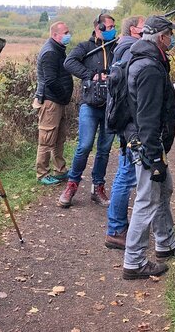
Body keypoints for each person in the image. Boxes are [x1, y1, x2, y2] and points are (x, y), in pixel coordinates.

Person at [122, 15, 175, 279]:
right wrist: (154, 157)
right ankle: (134, 262)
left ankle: (165, 243)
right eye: (169, 35)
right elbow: (148, 117)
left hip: (147, 142)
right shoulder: (150, 68)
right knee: (147, 199)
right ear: (161, 37)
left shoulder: (144, 59)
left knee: (164, 189)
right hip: (147, 145)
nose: (172, 39)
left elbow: (149, 99)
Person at [58, 13, 117, 207]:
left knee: (104, 149)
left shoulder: (115, 47)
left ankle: (98, 187)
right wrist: (90, 75)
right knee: (84, 146)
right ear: (98, 27)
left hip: (110, 105)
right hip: (89, 104)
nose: (112, 30)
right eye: (109, 27)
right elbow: (69, 62)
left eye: (114, 27)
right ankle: (72, 184)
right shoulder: (85, 47)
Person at [104, 15, 145, 250]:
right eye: (142, 27)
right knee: (127, 174)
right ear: (133, 30)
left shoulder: (122, 47)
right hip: (129, 122)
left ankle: (118, 226)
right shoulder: (130, 50)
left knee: (125, 171)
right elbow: (132, 88)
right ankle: (116, 229)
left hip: (123, 120)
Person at [33, 21, 74, 185]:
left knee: (59, 138)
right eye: (65, 32)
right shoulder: (50, 52)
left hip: (58, 101)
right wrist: (63, 94)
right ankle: (42, 174)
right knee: (47, 138)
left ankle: (60, 170)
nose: (68, 35)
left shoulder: (58, 49)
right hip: (51, 102)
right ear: (55, 35)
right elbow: (50, 80)